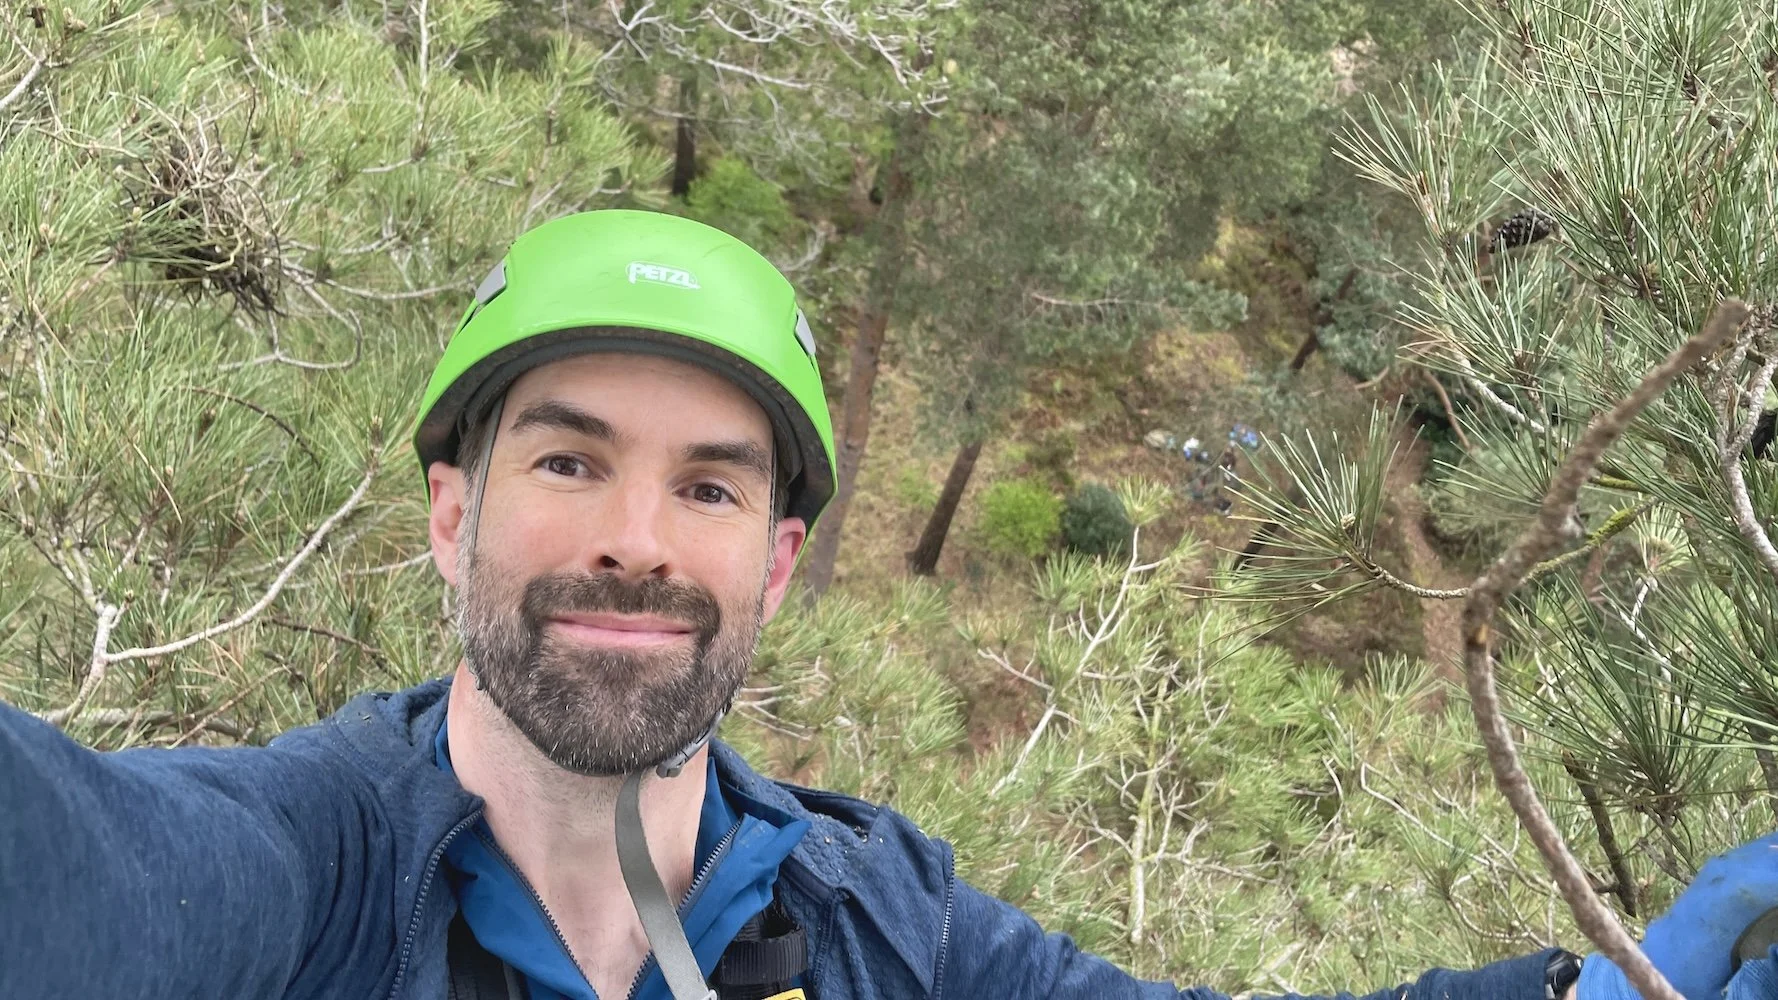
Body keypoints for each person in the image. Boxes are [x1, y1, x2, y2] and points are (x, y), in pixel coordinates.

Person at [2, 209, 1776, 1000]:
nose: (634, 537)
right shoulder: (295, 880)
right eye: (566, 463)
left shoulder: (873, 924)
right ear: (453, 515)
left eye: (708, 484)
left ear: (774, 562)